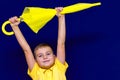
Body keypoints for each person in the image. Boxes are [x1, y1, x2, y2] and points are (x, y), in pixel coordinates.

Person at [9, 7, 68, 80]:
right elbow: (26, 50)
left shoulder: (59, 66)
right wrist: (15, 27)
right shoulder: (35, 70)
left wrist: (61, 17)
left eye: (48, 54)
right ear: (36, 60)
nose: (45, 57)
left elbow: (61, 44)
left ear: (54, 57)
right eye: (40, 56)